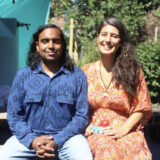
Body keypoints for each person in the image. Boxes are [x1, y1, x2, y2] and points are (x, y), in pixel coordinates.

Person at [0, 24, 93, 160]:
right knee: (5, 156)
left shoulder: (77, 76)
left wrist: (57, 140)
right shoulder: (23, 75)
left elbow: (81, 116)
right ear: (37, 46)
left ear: (62, 46)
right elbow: (14, 116)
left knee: (84, 156)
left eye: (56, 41)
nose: (51, 46)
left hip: (67, 140)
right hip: (28, 139)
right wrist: (33, 140)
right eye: (45, 41)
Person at [82, 17, 153, 160]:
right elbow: (77, 107)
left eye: (114, 36)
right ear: (97, 37)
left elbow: (142, 106)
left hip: (127, 129)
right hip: (97, 130)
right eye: (104, 34)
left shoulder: (133, 71)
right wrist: (86, 126)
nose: (107, 40)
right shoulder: (86, 72)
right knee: (105, 149)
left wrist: (123, 130)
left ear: (120, 42)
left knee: (135, 151)